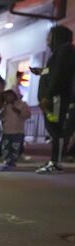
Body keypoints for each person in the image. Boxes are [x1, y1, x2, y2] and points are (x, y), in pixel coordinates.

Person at [31, 25, 75, 174]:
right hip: (52, 99)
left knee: (56, 130)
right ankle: (55, 161)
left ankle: (56, 162)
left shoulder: (66, 50)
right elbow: (54, 71)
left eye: (49, 36)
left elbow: (59, 75)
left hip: (55, 99)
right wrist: (41, 71)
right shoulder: (59, 52)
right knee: (53, 129)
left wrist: (48, 97)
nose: (47, 40)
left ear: (57, 36)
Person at [0, 89, 31, 169]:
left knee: (15, 147)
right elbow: (1, 117)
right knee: (6, 147)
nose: (8, 98)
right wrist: (1, 114)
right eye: (5, 97)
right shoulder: (4, 106)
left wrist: (19, 112)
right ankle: (6, 160)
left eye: (10, 96)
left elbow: (27, 115)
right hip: (6, 131)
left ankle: (12, 161)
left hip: (18, 131)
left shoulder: (22, 104)